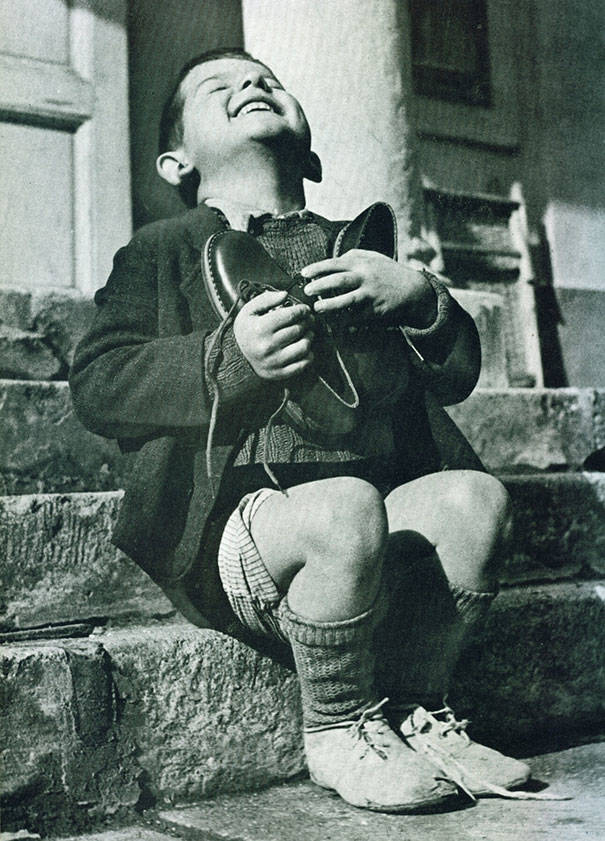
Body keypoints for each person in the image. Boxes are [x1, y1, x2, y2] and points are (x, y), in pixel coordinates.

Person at [70, 47, 530, 813]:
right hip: (244, 533)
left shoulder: (359, 246)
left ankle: (419, 706)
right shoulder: (163, 249)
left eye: (268, 82)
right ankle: (339, 723)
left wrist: (419, 296)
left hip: (365, 531)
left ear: (311, 149)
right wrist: (225, 357)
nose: (252, 85)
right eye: (220, 88)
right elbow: (98, 382)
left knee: (475, 499)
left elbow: (452, 377)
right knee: (344, 504)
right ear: (175, 161)